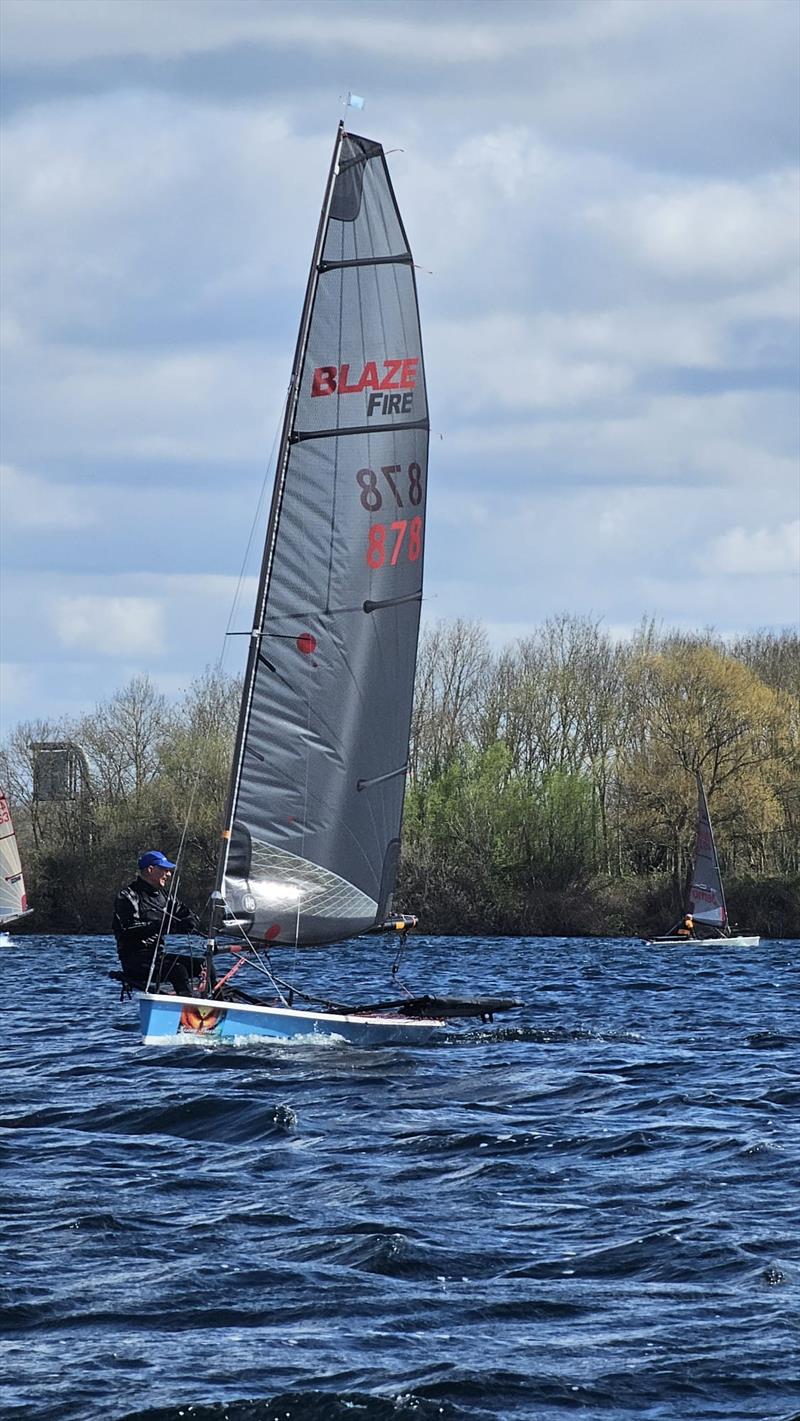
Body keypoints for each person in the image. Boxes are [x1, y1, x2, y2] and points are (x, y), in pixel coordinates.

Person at [112, 850, 203, 995]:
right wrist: (164, 925)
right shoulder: (128, 896)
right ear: (150, 869)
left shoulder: (165, 897)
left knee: (204, 965)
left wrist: (190, 921)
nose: (169, 874)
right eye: (165, 870)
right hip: (135, 960)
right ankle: (188, 1011)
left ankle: (217, 1004)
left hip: (158, 957)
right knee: (177, 970)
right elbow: (128, 930)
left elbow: (188, 914)